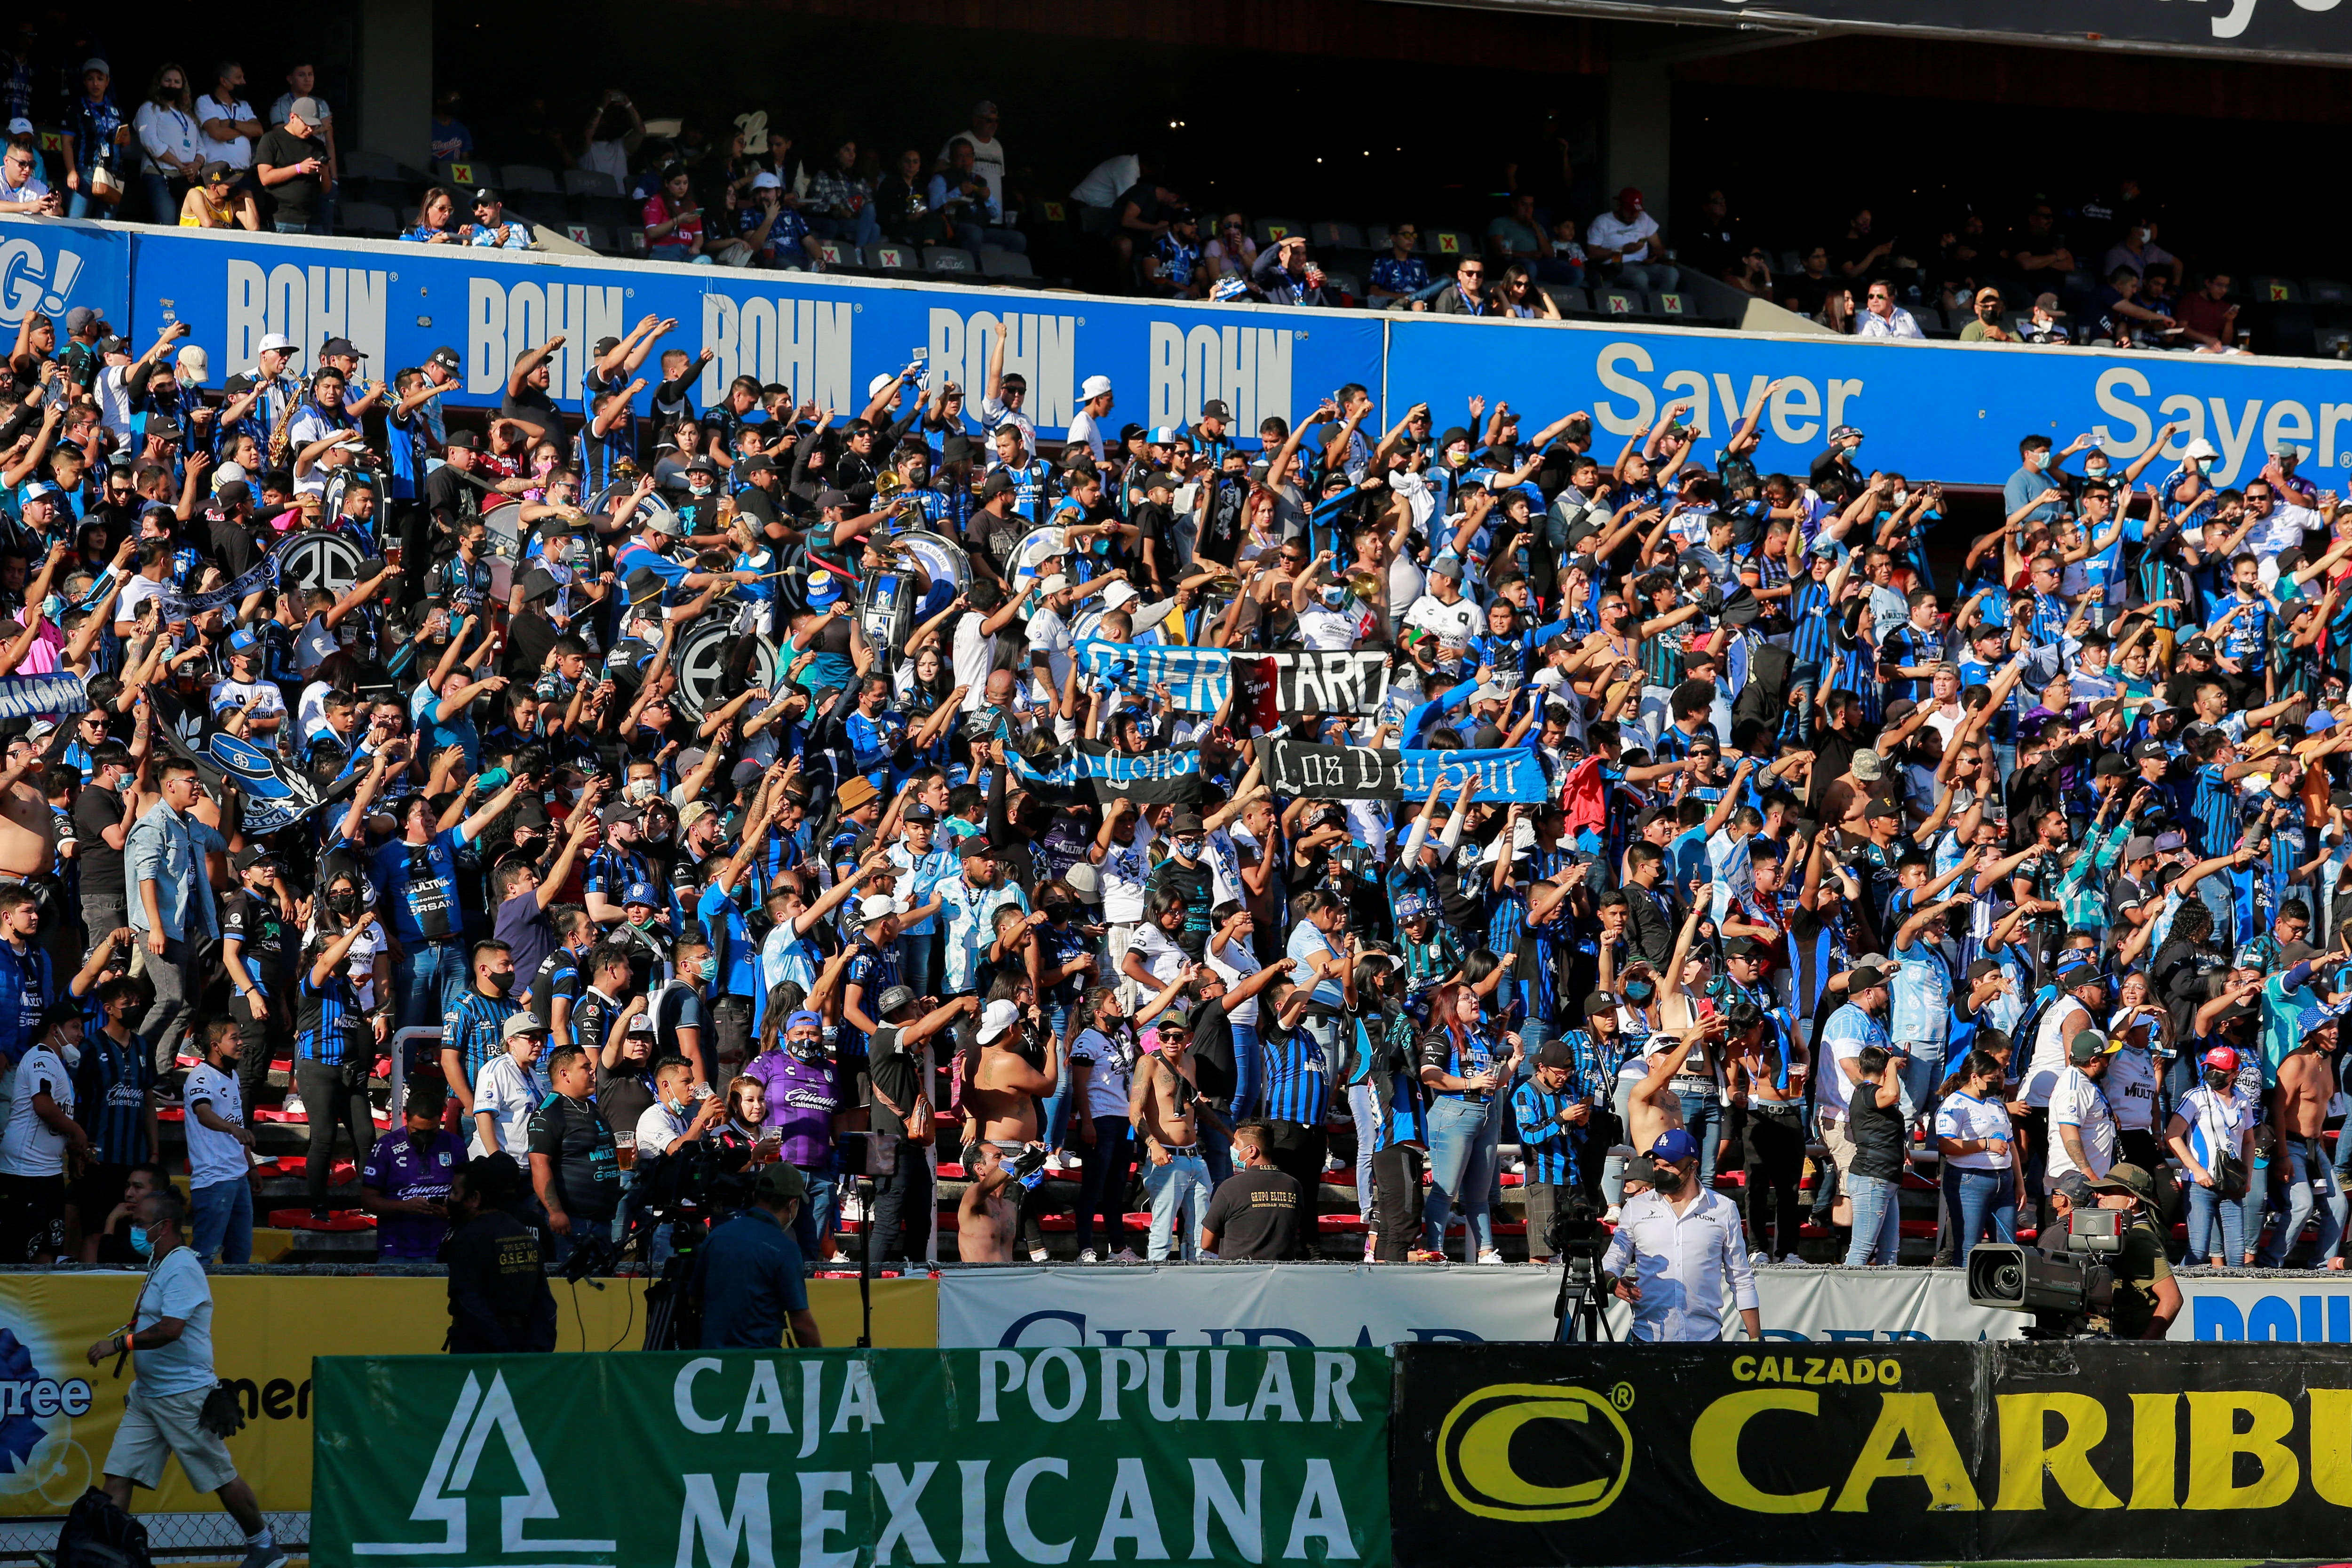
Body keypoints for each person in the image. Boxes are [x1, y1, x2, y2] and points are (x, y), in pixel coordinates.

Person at [84, 1184, 286, 1568]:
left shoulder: (182, 1268)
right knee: (119, 1473)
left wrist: (120, 1344)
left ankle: (264, 1547)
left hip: (184, 1397)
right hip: (148, 1395)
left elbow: (171, 1329)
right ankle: (99, 1554)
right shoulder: (161, 1264)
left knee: (221, 1476)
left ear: (166, 1226)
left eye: (142, 1224)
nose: (137, 1230)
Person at [1600, 1129, 1761, 1342]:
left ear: (1693, 1166)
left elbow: (1740, 1276)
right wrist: (1613, 1284)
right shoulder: (1635, 1207)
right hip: (1648, 1337)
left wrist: (1756, 1339)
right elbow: (1611, 1262)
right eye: (1657, 1165)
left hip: (1706, 1338)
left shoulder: (1723, 1208)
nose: (1660, 1171)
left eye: (1669, 1166)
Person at [692, 1161, 822, 1349]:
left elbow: (694, 1299)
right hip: (760, 1366)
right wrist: (820, 1367)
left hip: (711, 1362)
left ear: (755, 1195)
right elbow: (801, 1324)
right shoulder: (785, 1249)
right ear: (793, 1204)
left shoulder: (717, 1235)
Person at [442, 1153, 557, 1353]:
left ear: (475, 1199)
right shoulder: (524, 1233)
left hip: (477, 1349)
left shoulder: (467, 1237)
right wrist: (536, 1350)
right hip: (523, 1345)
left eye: (454, 1193)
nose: (448, 1200)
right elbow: (545, 1304)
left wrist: (500, 1345)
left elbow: (469, 1302)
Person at [525, 1043, 619, 1264]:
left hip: (602, 1220)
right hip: (573, 1222)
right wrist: (555, 1211)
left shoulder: (591, 1106)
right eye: (585, 1067)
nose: (592, 1071)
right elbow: (539, 1165)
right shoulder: (550, 1113)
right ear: (565, 1074)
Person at [361, 1082, 464, 1261]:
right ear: (407, 1118)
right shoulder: (387, 1147)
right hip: (397, 1250)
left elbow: (466, 1193)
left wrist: (450, 1210)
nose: (424, 1138)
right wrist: (403, 1206)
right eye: (417, 1131)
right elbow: (368, 1201)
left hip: (444, 1248)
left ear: (441, 1119)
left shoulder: (454, 1145)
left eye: (432, 1131)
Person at [182, 1019, 255, 1265]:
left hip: (238, 1177)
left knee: (240, 1256)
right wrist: (233, 1129)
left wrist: (251, 1167)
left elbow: (238, 1123)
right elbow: (203, 1113)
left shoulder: (232, 1075)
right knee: (205, 1254)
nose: (241, 1043)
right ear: (215, 1045)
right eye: (234, 1038)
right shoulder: (201, 1077)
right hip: (214, 1179)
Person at [2083, 1164, 2182, 1339]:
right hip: (2122, 1341)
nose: (2099, 1196)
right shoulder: (2126, 1233)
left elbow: (2173, 1299)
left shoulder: (2138, 1238)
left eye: (2108, 1192)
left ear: (2132, 1200)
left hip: (2133, 1344)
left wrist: (2143, 1346)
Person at [1199, 1122, 1303, 1259]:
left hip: (1239, 1273)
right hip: (1281, 1273)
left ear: (1252, 1151)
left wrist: (1233, 1255)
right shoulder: (1293, 1185)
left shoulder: (1230, 1187)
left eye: (1236, 1143)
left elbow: (1207, 1243)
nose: (1232, 1148)